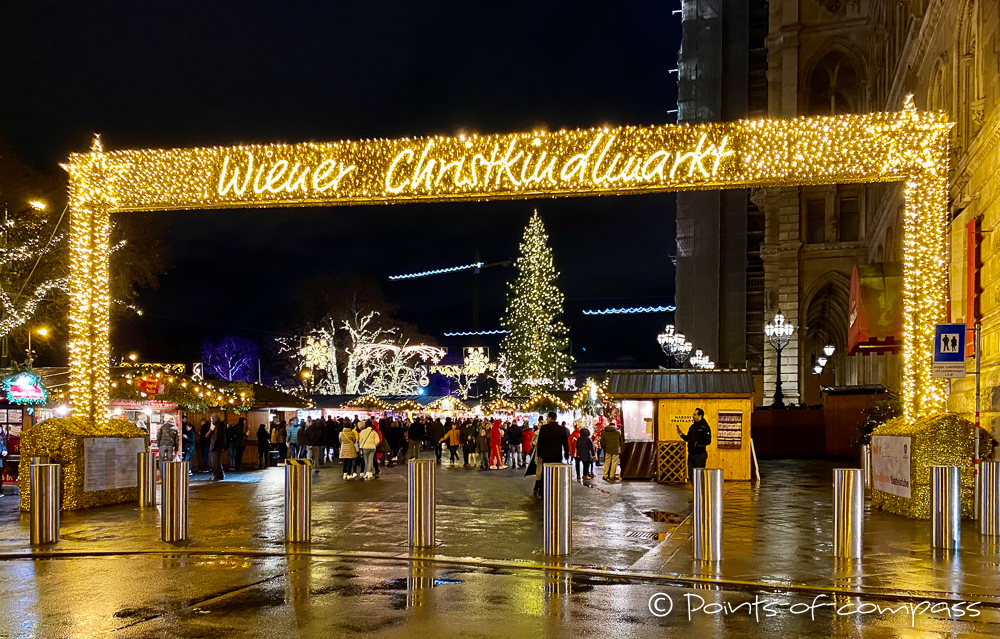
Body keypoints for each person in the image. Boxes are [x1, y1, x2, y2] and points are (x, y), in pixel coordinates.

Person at [533, 412, 569, 497]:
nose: (546, 419)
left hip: (546, 455)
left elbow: (540, 442)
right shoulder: (561, 429)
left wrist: (539, 454)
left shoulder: (544, 428)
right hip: (557, 455)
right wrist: (566, 455)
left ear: (549, 418)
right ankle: (555, 491)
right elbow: (565, 443)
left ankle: (543, 492)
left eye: (547, 417)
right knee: (556, 474)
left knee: (545, 474)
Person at [678, 408, 712, 482]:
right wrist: (682, 435)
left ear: (700, 416)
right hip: (691, 454)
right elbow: (688, 438)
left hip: (700, 455)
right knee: (691, 475)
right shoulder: (692, 427)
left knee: (699, 475)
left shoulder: (705, 427)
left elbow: (708, 441)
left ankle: (701, 491)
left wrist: (697, 445)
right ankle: (696, 490)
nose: (693, 416)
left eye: (695, 414)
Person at [210, 416, 228, 480]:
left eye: (211, 418)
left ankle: (217, 475)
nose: (211, 420)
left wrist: (213, 445)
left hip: (216, 447)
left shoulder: (217, 427)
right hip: (219, 446)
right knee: (216, 461)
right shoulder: (220, 426)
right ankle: (219, 475)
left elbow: (216, 437)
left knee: (215, 462)